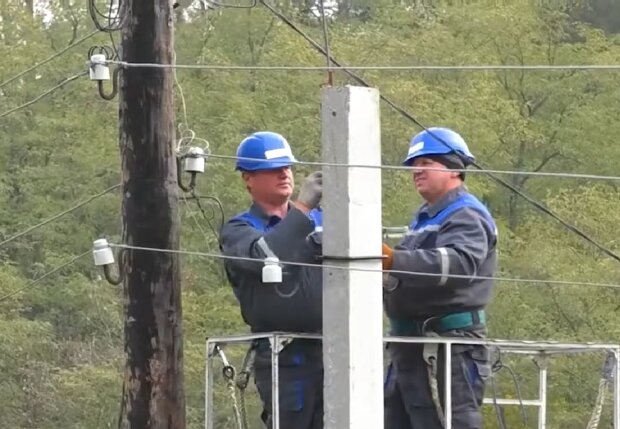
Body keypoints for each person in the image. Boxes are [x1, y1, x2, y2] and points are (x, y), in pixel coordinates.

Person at [381, 127, 498, 429]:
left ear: (454, 168)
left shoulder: (466, 214)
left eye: (427, 162)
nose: (417, 171)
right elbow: (407, 276)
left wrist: (394, 260)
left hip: (449, 349)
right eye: (414, 165)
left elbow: (459, 264)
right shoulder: (425, 218)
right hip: (411, 349)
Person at [220, 131, 324, 429]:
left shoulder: (321, 220)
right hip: (284, 357)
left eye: (287, 167)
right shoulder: (239, 230)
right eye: (273, 169)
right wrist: (302, 210)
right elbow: (265, 254)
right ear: (248, 179)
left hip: (333, 348)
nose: (284, 174)